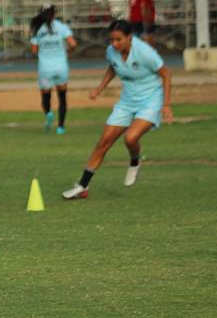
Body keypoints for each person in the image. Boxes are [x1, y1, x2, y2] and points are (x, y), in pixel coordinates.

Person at [62, 19, 172, 199]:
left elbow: (166, 74)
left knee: (130, 138)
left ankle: (135, 161)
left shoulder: (145, 52)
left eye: (118, 40)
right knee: (103, 142)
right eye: (111, 40)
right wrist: (99, 89)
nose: (114, 44)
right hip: (127, 100)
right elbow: (113, 68)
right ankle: (82, 186)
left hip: (151, 100)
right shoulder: (112, 52)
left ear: (129, 37)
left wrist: (166, 104)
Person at [29, 4, 76, 135]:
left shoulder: (37, 29)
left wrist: (42, 54)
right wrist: (68, 51)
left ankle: (49, 113)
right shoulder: (61, 27)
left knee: (45, 97)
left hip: (45, 67)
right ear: (54, 14)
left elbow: (33, 51)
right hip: (61, 67)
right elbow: (73, 43)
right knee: (62, 98)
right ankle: (61, 127)